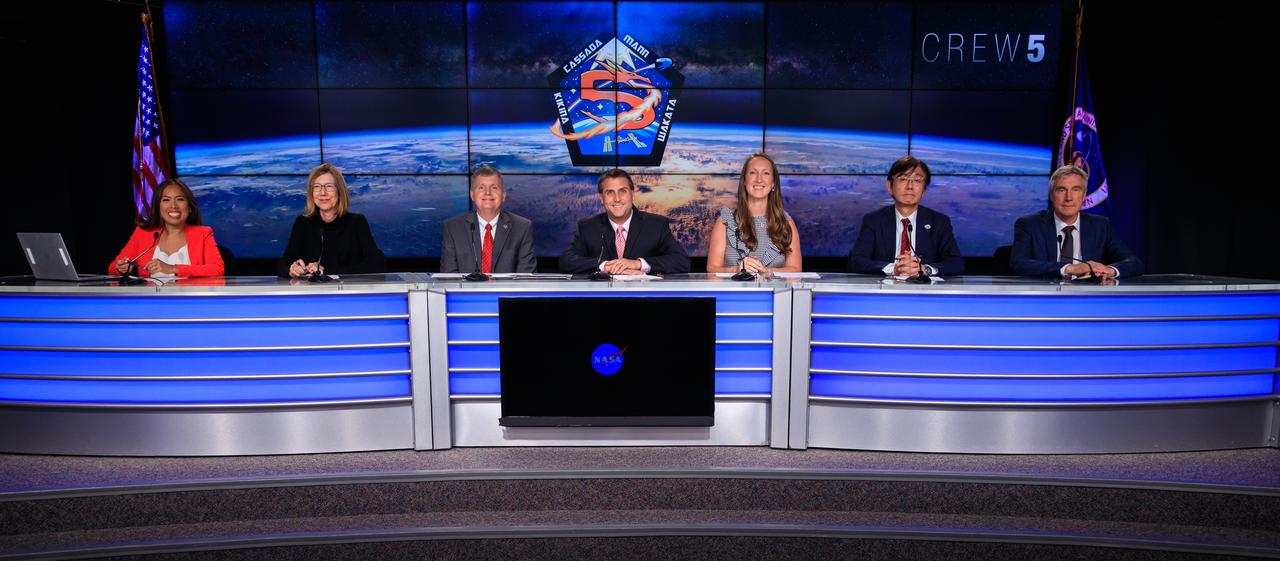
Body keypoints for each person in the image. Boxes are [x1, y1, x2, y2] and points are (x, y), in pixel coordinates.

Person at [1010, 165, 1143, 279]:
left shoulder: (1100, 226)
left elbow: (1133, 262)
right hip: (1046, 299)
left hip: (1087, 300)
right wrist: (1070, 268)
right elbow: (1018, 263)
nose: (1068, 197)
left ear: (1084, 195)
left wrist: (1109, 270)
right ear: (1051, 195)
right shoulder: (1030, 224)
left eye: (1076, 190)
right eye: (1061, 190)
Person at [848, 155, 964, 277]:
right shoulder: (874, 220)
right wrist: (893, 269)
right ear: (890, 186)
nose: (910, 186)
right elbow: (856, 261)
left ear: (924, 188)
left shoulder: (939, 221)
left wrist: (925, 270)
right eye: (903, 179)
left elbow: (956, 263)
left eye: (917, 180)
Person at [559, 168, 690, 275]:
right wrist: (606, 266)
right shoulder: (588, 227)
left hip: (645, 301)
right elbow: (567, 261)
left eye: (622, 191)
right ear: (601, 198)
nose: (617, 199)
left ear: (633, 194)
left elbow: (681, 261)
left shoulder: (656, 225)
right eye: (610, 192)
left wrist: (638, 264)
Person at [277, 163, 386, 278]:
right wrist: (292, 269)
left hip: (345, 293)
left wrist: (327, 272)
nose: (322, 193)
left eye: (328, 186)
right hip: (311, 294)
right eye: (317, 187)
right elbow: (282, 265)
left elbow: (378, 265)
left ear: (339, 191)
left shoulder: (356, 222)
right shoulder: (302, 223)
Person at [706, 153, 802, 274]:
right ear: (744, 181)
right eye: (753, 173)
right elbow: (712, 269)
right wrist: (736, 270)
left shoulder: (786, 222)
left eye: (766, 173)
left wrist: (768, 271)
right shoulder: (724, 222)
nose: (759, 179)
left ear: (773, 183)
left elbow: (795, 269)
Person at [110, 178, 224, 278]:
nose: (173, 206)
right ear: (158, 207)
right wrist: (121, 268)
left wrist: (173, 268)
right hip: (152, 301)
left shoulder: (203, 233)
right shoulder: (142, 233)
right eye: (166, 200)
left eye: (180, 199)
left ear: (190, 207)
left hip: (190, 301)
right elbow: (112, 268)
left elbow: (218, 269)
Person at [439, 166, 536, 274]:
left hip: (508, 291)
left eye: (494, 187)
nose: (488, 193)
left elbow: (526, 279)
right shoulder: (453, 228)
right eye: (481, 187)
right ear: (472, 195)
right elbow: (448, 278)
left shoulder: (522, 227)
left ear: (503, 195)